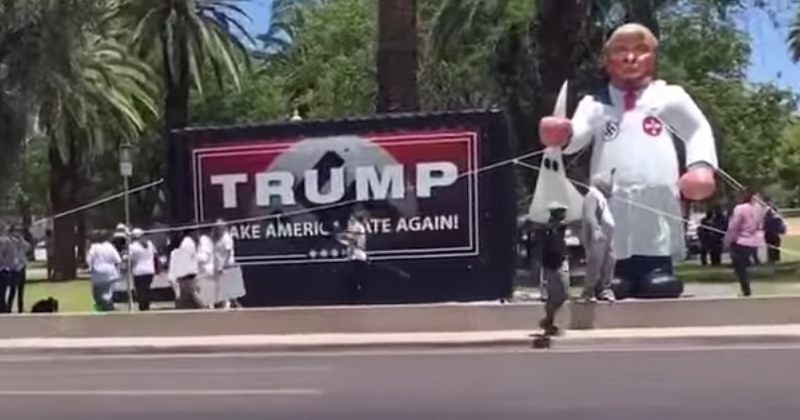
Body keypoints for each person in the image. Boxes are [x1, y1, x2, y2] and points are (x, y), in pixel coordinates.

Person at [538, 23, 718, 298]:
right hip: (611, 191)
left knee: (655, 226)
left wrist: (701, 167)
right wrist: (561, 134)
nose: (630, 57)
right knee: (611, 227)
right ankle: (615, 273)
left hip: (657, 189)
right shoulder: (595, 103)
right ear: (606, 60)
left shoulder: (669, 97)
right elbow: (577, 136)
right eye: (621, 50)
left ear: (654, 57)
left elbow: (697, 130)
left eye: (641, 50)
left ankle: (657, 269)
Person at [581, 174, 616, 302]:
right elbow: (589, 214)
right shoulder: (592, 195)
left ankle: (605, 288)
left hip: (607, 235)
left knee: (610, 261)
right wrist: (595, 228)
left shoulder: (602, 198)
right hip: (598, 235)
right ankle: (589, 291)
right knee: (595, 262)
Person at [723, 190, 765, 297]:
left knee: (740, 267)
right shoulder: (758, 209)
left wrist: (727, 240)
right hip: (755, 240)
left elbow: (734, 226)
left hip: (741, 241)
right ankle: (748, 286)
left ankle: (746, 289)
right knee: (745, 265)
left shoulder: (740, 208)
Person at [538, 203, 570, 336]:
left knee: (563, 295)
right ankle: (549, 322)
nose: (564, 216)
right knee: (554, 295)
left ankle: (548, 319)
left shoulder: (561, 228)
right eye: (561, 213)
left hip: (562, 261)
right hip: (551, 264)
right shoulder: (549, 229)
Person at [337, 210, 370, 304]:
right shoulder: (358, 226)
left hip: (357, 256)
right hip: (358, 255)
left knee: (354, 278)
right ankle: (356, 298)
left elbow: (351, 238)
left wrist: (340, 235)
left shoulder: (357, 226)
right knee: (355, 278)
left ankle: (356, 299)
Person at [86, 232, 122, 311]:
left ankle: (101, 306)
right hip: (110, 272)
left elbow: (89, 259)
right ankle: (107, 305)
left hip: (98, 272)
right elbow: (118, 260)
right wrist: (118, 270)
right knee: (108, 290)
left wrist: (90, 268)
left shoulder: (94, 247)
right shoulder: (110, 247)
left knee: (97, 292)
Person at [211, 220, 240, 309]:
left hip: (227, 266)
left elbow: (228, 253)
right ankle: (233, 305)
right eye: (216, 227)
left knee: (227, 289)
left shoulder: (226, 238)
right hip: (218, 267)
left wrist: (223, 266)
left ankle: (231, 306)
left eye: (219, 227)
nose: (217, 229)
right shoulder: (215, 238)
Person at [129, 228, 157, 311]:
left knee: (140, 290)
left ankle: (143, 307)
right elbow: (155, 255)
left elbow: (131, 260)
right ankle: (146, 305)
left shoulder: (132, 246)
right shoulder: (149, 244)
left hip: (139, 271)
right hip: (150, 270)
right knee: (146, 289)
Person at [7, 223, 30, 313]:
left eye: (19, 231)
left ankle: (20, 308)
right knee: (13, 289)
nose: (18, 233)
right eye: (16, 230)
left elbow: (28, 248)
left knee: (21, 290)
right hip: (13, 268)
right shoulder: (9, 241)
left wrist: (21, 240)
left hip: (21, 267)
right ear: (11, 232)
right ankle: (8, 308)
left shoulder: (21, 242)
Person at [762, 200, 786, 265]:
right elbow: (782, 228)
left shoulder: (767, 218)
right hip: (774, 235)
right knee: (775, 249)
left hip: (769, 235)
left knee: (771, 249)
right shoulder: (777, 218)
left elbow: (764, 227)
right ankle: (775, 260)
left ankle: (772, 261)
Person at [0, 226, 14, 313]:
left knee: (2, 292)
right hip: (4, 269)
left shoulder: (7, 241)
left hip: (4, 270)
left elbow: (8, 256)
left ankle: (3, 310)